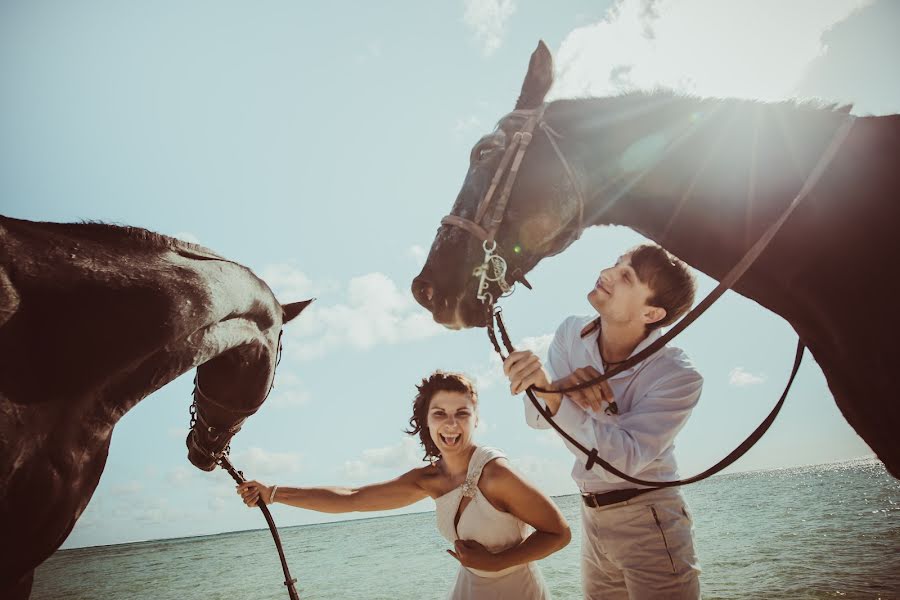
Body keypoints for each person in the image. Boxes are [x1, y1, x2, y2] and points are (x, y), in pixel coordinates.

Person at [236, 370, 571, 599]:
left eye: (462, 413)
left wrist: (498, 562)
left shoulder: (496, 474)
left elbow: (559, 533)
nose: (451, 424)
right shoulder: (428, 479)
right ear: (426, 421)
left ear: (476, 418)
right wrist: (274, 494)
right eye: (439, 413)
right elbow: (352, 498)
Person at [503, 243, 703, 599]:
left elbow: (621, 460)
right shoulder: (569, 334)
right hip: (591, 516)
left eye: (626, 276)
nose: (607, 273)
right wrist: (554, 389)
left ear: (652, 313)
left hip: (650, 517)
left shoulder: (677, 375)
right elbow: (537, 419)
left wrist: (553, 394)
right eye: (616, 263)